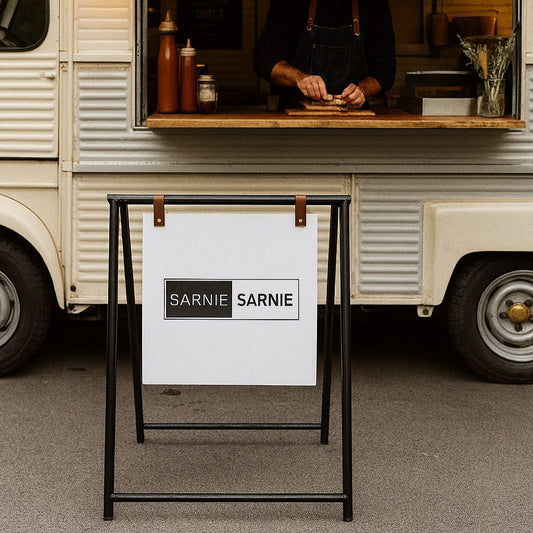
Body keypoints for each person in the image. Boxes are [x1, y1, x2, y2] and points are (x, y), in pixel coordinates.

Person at [254, 0, 396, 109]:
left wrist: (362, 90)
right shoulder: (291, 4)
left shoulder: (373, 5)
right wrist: (300, 78)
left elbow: (385, 69)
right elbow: (264, 59)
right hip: (297, 120)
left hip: (353, 120)